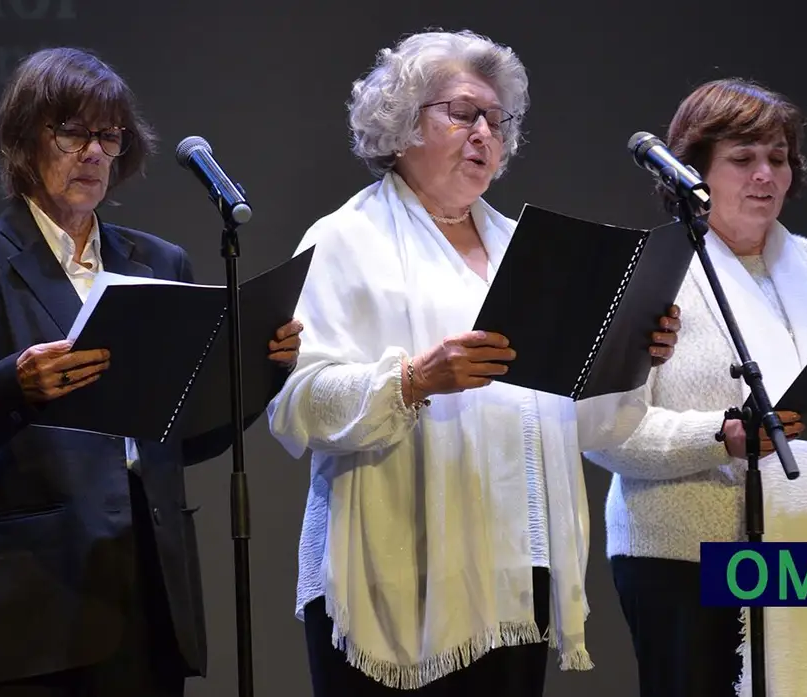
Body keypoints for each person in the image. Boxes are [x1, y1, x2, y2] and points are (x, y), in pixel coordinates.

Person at [265, 29, 681, 697]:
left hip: (513, 572)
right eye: (464, 113)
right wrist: (412, 381)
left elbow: (583, 422)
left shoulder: (526, 249)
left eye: (497, 118)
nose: (486, 132)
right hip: (394, 573)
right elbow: (297, 404)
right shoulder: (345, 239)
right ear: (402, 123)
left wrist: (632, 356)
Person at [0, 47, 303, 697]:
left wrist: (262, 371)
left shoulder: (159, 261)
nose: (93, 151)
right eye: (72, 131)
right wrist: (14, 382)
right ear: (25, 138)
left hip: (151, 593)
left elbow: (188, 434)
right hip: (33, 605)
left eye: (108, 135)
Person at [585, 77, 807, 697]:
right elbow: (603, 433)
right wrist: (723, 437)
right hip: (689, 566)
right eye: (742, 159)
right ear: (691, 172)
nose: (765, 175)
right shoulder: (653, 274)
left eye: (778, 158)